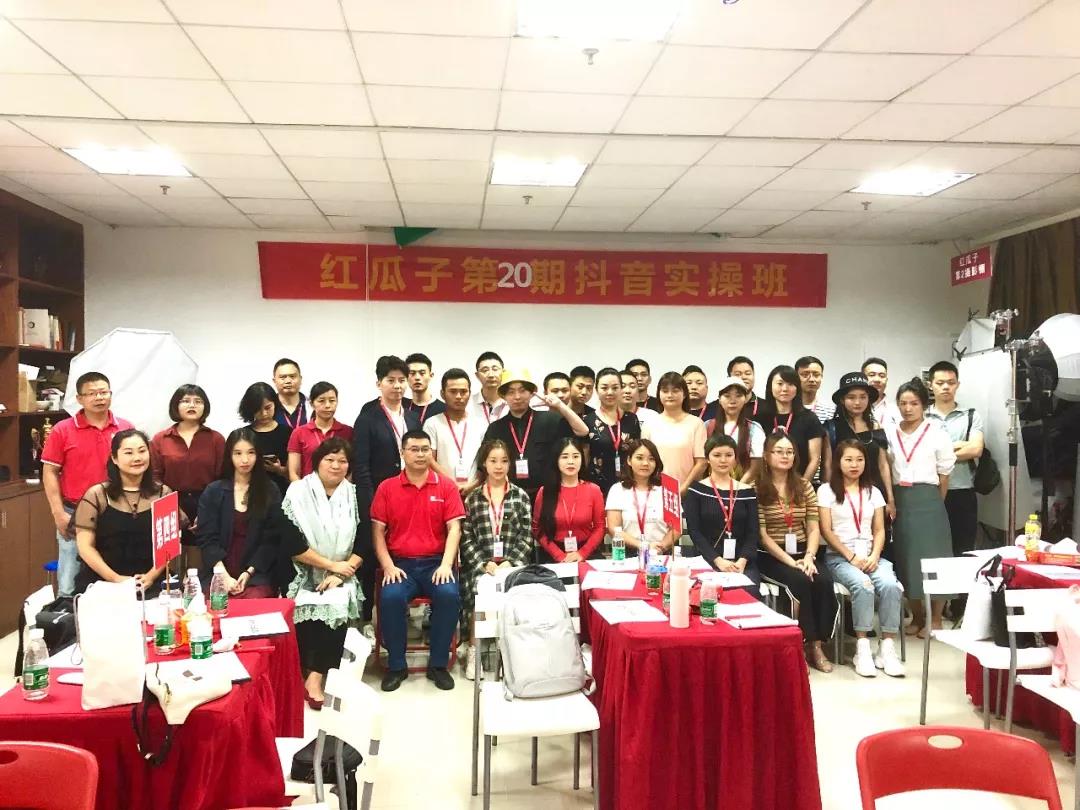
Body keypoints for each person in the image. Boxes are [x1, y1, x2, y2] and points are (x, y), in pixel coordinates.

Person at [371, 430, 465, 692]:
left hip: (436, 563)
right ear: (402, 453)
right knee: (390, 597)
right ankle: (397, 666)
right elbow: (377, 532)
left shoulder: (446, 486)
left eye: (425, 449)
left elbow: (454, 529)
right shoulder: (387, 488)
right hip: (400, 565)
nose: (420, 454)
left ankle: (438, 665)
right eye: (414, 449)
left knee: (448, 595)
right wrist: (388, 566)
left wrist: (446, 564)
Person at [279, 437, 368, 708]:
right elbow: (290, 543)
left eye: (343, 461)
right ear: (317, 462)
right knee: (305, 601)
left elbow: (364, 542)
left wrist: (340, 574)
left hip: (343, 571)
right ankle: (305, 669)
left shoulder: (355, 495)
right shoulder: (297, 492)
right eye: (330, 459)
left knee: (337, 602)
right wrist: (330, 566)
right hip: (301, 569)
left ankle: (316, 677)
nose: (336, 466)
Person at [41, 371, 134, 597]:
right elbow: (50, 472)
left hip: (116, 511)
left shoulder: (125, 427)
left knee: (116, 574)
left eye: (103, 392)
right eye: (92, 393)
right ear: (80, 398)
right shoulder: (63, 429)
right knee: (69, 581)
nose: (99, 398)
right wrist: (58, 513)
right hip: (74, 512)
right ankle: (68, 613)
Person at [818, 439, 904, 678]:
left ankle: (887, 648)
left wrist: (875, 555)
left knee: (890, 585)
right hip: (840, 557)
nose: (854, 465)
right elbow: (826, 530)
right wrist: (851, 556)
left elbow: (879, 530)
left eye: (859, 459)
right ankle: (862, 648)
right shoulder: (826, 491)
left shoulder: (873, 491)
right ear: (838, 462)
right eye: (848, 460)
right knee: (863, 585)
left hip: (870, 556)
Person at [756, 432, 836, 673]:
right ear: (766, 455)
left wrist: (809, 557)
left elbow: (813, 528)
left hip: (804, 552)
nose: (785, 456)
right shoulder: (757, 488)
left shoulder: (804, 486)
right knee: (800, 581)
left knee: (823, 580)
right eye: (779, 451)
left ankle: (817, 645)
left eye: (789, 452)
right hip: (772, 555)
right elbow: (763, 535)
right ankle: (800, 644)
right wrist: (791, 562)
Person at [353, 356, 422, 621]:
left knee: (403, 552)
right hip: (379, 498)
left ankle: (404, 611)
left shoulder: (413, 418)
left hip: (410, 496)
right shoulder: (368, 418)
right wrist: (370, 505)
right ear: (379, 383)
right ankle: (367, 617)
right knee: (372, 557)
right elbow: (361, 467)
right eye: (391, 380)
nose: (397, 386)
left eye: (402, 380)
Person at [887, 377, 956, 638]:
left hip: (929, 499)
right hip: (900, 498)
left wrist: (937, 502)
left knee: (935, 558)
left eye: (914, 403)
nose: (908, 408)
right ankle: (916, 616)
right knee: (906, 558)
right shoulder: (890, 432)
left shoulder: (937, 433)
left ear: (924, 405)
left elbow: (944, 474)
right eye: (903, 403)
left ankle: (935, 619)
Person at [459, 439, 532, 678]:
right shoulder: (473, 499)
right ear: (484, 463)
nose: (499, 466)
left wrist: (511, 563)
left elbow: (526, 536)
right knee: (478, 591)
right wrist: (484, 563)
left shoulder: (520, 496)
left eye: (504, 461)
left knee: (516, 593)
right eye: (493, 461)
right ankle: (474, 651)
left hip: (513, 565)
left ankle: (513, 651)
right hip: (482, 566)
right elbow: (466, 538)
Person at [73, 429, 171, 596]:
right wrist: (117, 579)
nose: (137, 458)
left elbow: (168, 545)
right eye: (129, 453)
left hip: (151, 581)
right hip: (103, 582)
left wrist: (150, 577)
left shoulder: (163, 493)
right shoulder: (97, 495)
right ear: (114, 458)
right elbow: (85, 547)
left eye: (142, 451)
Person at [196, 428, 283, 599]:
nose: (245, 460)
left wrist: (249, 572)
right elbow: (207, 538)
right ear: (229, 455)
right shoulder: (214, 491)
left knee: (254, 602)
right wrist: (222, 575)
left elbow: (271, 539)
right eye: (238, 453)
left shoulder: (269, 490)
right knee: (213, 603)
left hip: (256, 572)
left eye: (251, 453)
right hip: (217, 569)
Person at [483, 369, 589, 501]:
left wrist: (560, 406)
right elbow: (485, 464)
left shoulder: (551, 420)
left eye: (522, 391)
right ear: (504, 396)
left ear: (531, 393)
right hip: (510, 497)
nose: (517, 396)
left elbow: (583, 431)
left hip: (549, 494)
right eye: (511, 392)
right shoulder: (496, 428)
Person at [150, 384, 225, 548]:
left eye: (198, 401)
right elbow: (154, 478)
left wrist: (207, 511)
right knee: (170, 555)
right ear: (175, 405)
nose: (192, 405)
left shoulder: (216, 439)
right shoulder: (161, 439)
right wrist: (172, 508)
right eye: (186, 401)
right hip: (168, 502)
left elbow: (222, 478)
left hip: (208, 501)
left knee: (206, 553)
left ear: (205, 407)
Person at [683, 435, 760, 593]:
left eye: (728, 455)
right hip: (707, 560)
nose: (723, 460)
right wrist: (718, 561)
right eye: (717, 455)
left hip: (742, 563)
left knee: (748, 593)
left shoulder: (747, 492)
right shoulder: (696, 490)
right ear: (708, 459)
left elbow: (753, 532)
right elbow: (695, 532)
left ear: (735, 458)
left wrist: (742, 561)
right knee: (710, 594)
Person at [927, 361, 985, 559]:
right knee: (933, 546)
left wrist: (939, 453)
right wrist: (959, 445)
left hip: (963, 490)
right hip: (930, 491)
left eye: (951, 383)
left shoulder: (970, 415)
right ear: (930, 385)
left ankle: (963, 582)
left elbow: (976, 449)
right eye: (940, 383)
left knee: (964, 548)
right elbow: (921, 453)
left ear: (957, 385)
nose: (946, 387)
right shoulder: (922, 416)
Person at [822, 372, 895, 519]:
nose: (857, 402)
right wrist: (829, 497)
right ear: (842, 400)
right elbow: (828, 465)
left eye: (863, 397)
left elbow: (883, 465)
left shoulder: (875, 425)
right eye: (851, 397)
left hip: (874, 493)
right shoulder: (832, 427)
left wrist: (890, 498)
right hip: (843, 495)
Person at [535, 437, 606, 563]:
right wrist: (559, 555)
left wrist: (582, 553)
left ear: (582, 459)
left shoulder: (593, 490)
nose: (571, 462)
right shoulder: (545, 491)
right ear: (556, 460)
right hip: (554, 555)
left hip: (586, 553)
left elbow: (600, 527)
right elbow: (537, 528)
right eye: (565, 457)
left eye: (575, 456)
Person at [754, 365, 825, 483]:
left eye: (791, 384)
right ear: (770, 386)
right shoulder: (760, 419)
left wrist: (802, 486)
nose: (785, 389)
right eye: (780, 383)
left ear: (797, 388)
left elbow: (815, 459)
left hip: (799, 485)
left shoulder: (809, 418)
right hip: (765, 485)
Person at [605, 439, 676, 557]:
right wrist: (643, 545)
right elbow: (614, 529)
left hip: (661, 553)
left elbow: (676, 528)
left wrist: (661, 547)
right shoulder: (617, 490)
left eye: (651, 459)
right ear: (629, 460)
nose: (645, 463)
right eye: (639, 458)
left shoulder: (668, 489)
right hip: (627, 554)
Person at [641, 371, 707, 495]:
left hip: (688, 492)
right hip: (654, 492)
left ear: (684, 394)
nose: (670, 395)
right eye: (665, 391)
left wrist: (683, 489)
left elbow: (701, 463)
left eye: (675, 391)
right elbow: (644, 460)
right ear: (658, 394)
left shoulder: (696, 424)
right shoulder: (649, 423)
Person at [584, 367, 642, 495]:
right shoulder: (588, 420)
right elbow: (585, 459)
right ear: (596, 390)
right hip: (597, 487)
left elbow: (637, 452)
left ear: (621, 389)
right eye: (604, 388)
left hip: (627, 485)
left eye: (615, 388)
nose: (610, 392)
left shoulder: (632, 419)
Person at [425, 368, 484, 490]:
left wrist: (474, 485)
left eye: (463, 391)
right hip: (442, 490)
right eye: (453, 391)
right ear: (442, 394)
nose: (458, 396)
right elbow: (429, 460)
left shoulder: (481, 423)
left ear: (469, 393)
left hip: (474, 490)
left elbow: (485, 461)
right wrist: (451, 484)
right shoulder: (432, 423)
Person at [287, 381, 353, 481]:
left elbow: (352, 468)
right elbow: (293, 472)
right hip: (307, 488)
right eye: (321, 401)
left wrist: (343, 488)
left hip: (339, 488)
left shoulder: (348, 432)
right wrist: (303, 489)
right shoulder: (299, 433)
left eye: (332, 400)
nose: (327, 405)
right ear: (311, 403)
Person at [705, 376, 765, 483]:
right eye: (727, 396)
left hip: (743, 487)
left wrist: (738, 488)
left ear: (745, 399)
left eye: (738, 396)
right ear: (719, 399)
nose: (733, 401)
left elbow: (756, 466)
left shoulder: (754, 429)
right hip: (713, 486)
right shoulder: (708, 426)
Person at [238, 381, 291, 494]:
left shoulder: (288, 432)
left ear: (275, 404)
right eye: (258, 409)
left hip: (281, 491)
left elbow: (295, 472)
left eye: (268, 407)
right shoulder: (243, 434)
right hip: (249, 491)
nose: (264, 413)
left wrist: (279, 470)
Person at [404, 352, 446, 424]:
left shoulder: (443, 410)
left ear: (431, 375)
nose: (417, 377)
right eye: (412, 373)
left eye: (422, 373)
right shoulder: (401, 406)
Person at [469, 351, 508, 425]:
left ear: (503, 372)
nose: (491, 375)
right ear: (477, 375)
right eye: (485, 370)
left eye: (495, 369)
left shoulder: (513, 403)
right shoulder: (468, 404)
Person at [862, 357, 900, 430]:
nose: (877, 379)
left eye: (882, 376)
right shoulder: (852, 409)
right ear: (862, 378)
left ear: (886, 380)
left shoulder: (896, 410)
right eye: (872, 375)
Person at [796, 356, 835, 423]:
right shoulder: (787, 408)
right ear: (796, 377)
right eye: (805, 375)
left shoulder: (831, 411)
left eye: (816, 375)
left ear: (821, 377)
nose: (811, 379)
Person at [273, 358, 307, 430]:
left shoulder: (312, 405)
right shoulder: (268, 407)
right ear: (274, 381)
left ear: (300, 379)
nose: (288, 381)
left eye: (292, 376)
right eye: (282, 377)